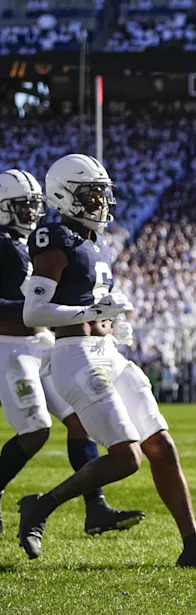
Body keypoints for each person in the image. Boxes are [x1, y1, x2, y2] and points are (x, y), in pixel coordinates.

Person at [16, 154, 196, 568]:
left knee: (161, 444)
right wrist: (91, 315)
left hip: (107, 354)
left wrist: (112, 321)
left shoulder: (93, 240)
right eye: (91, 193)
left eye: (102, 192)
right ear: (65, 194)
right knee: (126, 457)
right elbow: (35, 313)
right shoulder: (53, 236)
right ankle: (40, 506)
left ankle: (193, 548)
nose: (100, 201)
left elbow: (90, 300)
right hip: (74, 355)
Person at [0, 167, 143, 536]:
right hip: (11, 347)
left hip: (43, 342)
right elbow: (29, 303)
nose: (31, 212)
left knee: (78, 422)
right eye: (21, 206)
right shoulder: (4, 244)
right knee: (35, 431)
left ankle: (95, 508)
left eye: (33, 205)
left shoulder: (37, 241)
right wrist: (32, 307)